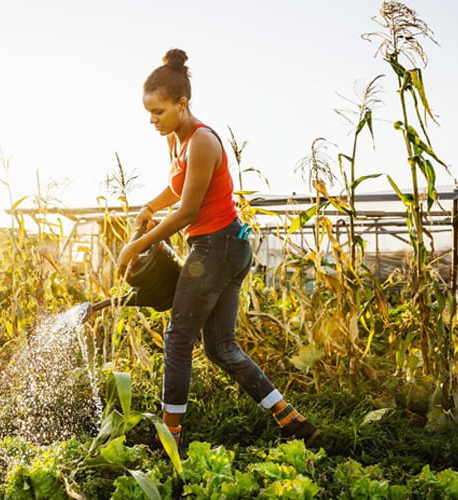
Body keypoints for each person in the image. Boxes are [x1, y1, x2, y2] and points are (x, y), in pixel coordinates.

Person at [117, 48, 320, 447]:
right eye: (148, 113)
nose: (152, 120)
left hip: (217, 247)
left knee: (177, 338)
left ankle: (168, 436)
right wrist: (149, 207)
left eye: (158, 112)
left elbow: (190, 210)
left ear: (182, 103)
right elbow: (178, 188)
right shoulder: (176, 142)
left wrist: (136, 245)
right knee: (221, 349)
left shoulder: (202, 141)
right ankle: (293, 421)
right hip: (223, 247)